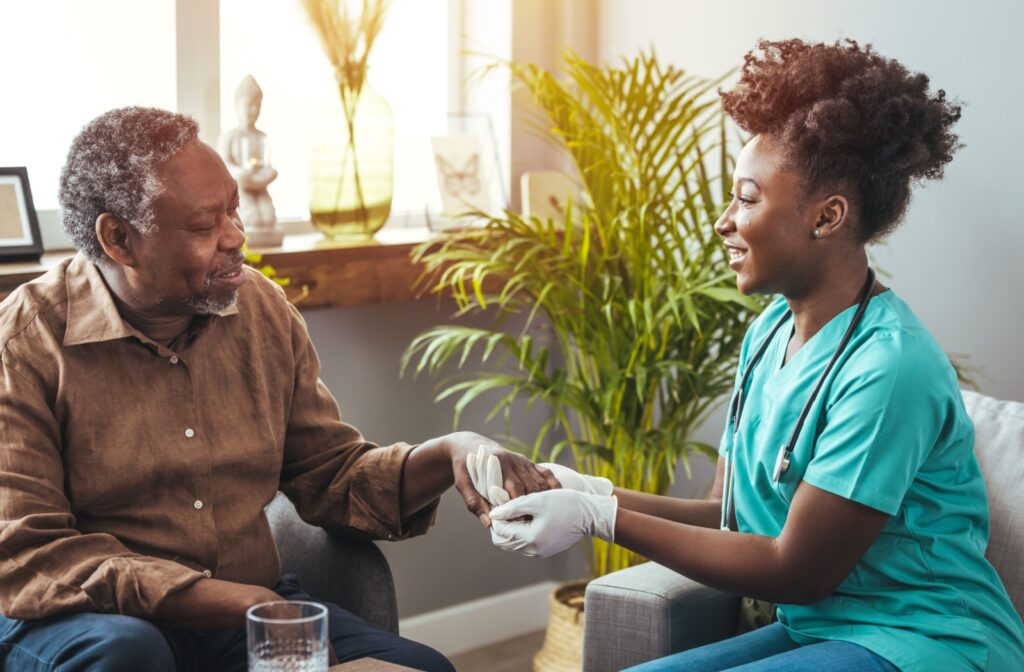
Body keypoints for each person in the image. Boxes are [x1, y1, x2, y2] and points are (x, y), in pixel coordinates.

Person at [481, 39, 1024, 671]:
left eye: (747, 197)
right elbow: (728, 516)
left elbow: (797, 569)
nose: (723, 221)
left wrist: (599, 519)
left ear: (828, 217)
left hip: (926, 641)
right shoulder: (768, 332)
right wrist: (592, 490)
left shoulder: (891, 369)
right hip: (819, 631)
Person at [0, 106, 559, 671]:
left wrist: (451, 452)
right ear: (119, 239)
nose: (236, 237)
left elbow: (331, 475)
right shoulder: (25, 342)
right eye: (204, 226)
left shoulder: (261, 309)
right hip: (85, 623)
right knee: (130, 654)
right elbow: (30, 552)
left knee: (424, 667)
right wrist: (234, 599)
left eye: (234, 210)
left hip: (245, 613)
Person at [217, 74, 283, 247]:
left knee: (268, 218)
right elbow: (224, 166)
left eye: (257, 105)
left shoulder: (262, 137)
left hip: (260, 187)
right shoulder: (229, 137)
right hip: (240, 189)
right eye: (248, 105)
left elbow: (266, 165)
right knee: (252, 218)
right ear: (237, 106)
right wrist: (242, 175)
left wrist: (268, 174)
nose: (253, 110)